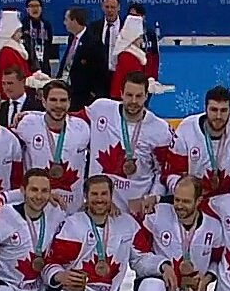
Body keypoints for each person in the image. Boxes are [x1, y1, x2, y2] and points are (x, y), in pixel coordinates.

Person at [83, 71, 174, 215]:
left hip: (136, 208)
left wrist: (154, 196)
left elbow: (163, 171)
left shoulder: (160, 129)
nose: (133, 101)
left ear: (146, 96)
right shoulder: (101, 109)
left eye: (139, 96)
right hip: (100, 203)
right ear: (121, 94)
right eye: (129, 95)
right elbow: (71, 126)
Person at [14, 80, 91, 214]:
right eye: (53, 100)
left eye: (63, 100)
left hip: (72, 210)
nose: (58, 105)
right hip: (38, 208)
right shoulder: (27, 124)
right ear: (44, 102)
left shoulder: (82, 128)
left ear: (69, 102)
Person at [109, 15, 170, 100]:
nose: (141, 41)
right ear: (133, 37)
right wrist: (151, 86)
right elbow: (135, 80)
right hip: (125, 99)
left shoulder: (133, 55)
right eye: (140, 37)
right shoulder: (128, 57)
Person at [88, 0, 122, 101]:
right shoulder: (93, 27)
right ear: (102, 7)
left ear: (119, 8)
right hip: (99, 77)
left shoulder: (126, 27)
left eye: (113, 7)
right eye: (107, 7)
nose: (110, 10)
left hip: (119, 75)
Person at [60, 6, 95, 110]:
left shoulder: (92, 42)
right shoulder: (72, 38)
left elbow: (97, 70)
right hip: (68, 90)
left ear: (74, 21)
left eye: (66, 20)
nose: (64, 23)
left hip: (82, 96)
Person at [0, 10, 32, 100]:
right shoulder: (7, 52)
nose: (21, 34)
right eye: (18, 31)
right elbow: (13, 75)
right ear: (11, 32)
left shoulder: (17, 49)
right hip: (10, 97)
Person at [23, 0, 57, 76]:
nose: (35, 9)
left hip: (44, 65)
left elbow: (49, 43)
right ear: (27, 9)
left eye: (37, 6)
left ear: (41, 8)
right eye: (31, 6)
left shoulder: (46, 25)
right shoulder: (22, 25)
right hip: (28, 65)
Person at [126, 3, 159, 80]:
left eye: (136, 16)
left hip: (146, 78)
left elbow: (155, 57)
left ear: (143, 17)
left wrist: (154, 78)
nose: (133, 19)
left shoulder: (150, 34)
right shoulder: (123, 35)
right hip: (130, 79)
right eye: (131, 16)